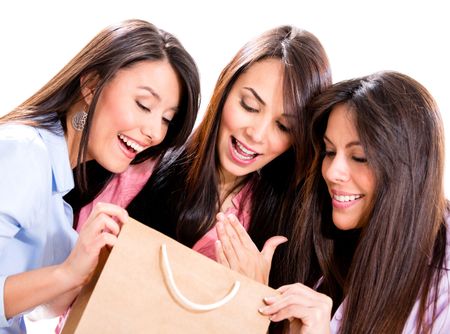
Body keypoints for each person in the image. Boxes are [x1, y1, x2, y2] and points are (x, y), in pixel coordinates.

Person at [74, 25, 332, 288]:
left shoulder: (288, 232)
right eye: (249, 106)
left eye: (283, 127)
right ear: (224, 89)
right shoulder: (140, 168)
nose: (257, 134)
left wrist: (253, 296)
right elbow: (63, 292)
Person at [0, 19, 200, 333]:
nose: (154, 132)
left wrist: (86, 266)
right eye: (143, 104)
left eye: (166, 119)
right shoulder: (24, 153)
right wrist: (66, 273)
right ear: (91, 85)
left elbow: (35, 309)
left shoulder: (64, 184)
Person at [260, 71, 450, 333]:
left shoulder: (441, 290)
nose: (331, 172)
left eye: (359, 157)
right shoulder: (324, 234)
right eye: (329, 151)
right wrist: (252, 294)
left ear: (410, 170)